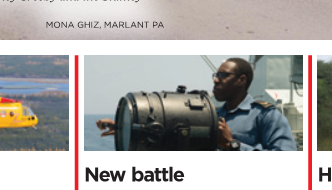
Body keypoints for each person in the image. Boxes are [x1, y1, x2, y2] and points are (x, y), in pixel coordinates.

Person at [97, 58, 296, 151]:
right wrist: (124, 126)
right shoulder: (212, 115)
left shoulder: (265, 116)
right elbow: (170, 132)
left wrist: (233, 145)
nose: (216, 80)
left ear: (241, 80)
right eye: (215, 75)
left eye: (223, 76)